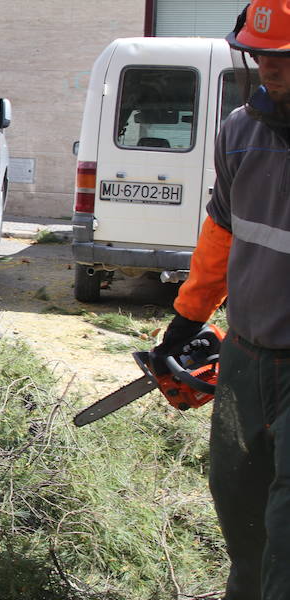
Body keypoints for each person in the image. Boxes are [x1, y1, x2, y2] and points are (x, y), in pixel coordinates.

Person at [156, 2, 290, 597]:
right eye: (259, 54)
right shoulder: (238, 131)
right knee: (238, 505)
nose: (268, 68)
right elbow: (222, 234)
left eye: (282, 57)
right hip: (247, 356)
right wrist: (188, 317)